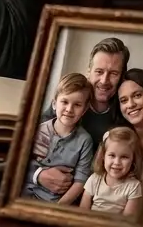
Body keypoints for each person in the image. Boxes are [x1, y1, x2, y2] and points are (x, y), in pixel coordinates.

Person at [36, 37, 129, 195]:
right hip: (44, 190)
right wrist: (38, 175)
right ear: (89, 71)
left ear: (121, 77)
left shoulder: (124, 112)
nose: (104, 81)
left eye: (113, 73)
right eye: (99, 72)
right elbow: (31, 141)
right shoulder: (68, 100)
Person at [24, 73, 94, 206]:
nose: (69, 109)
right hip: (25, 196)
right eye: (65, 102)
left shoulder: (85, 141)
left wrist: (58, 208)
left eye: (77, 105)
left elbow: (81, 180)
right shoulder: (37, 130)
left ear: (84, 110)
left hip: (55, 203)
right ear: (54, 104)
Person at [79, 126, 143, 216]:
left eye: (124, 157)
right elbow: (83, 212)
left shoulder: (134, 186)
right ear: (103, 156)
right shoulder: (94, 179)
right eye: (112, 155)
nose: (117, 162)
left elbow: (127, 221)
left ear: (133, 160)